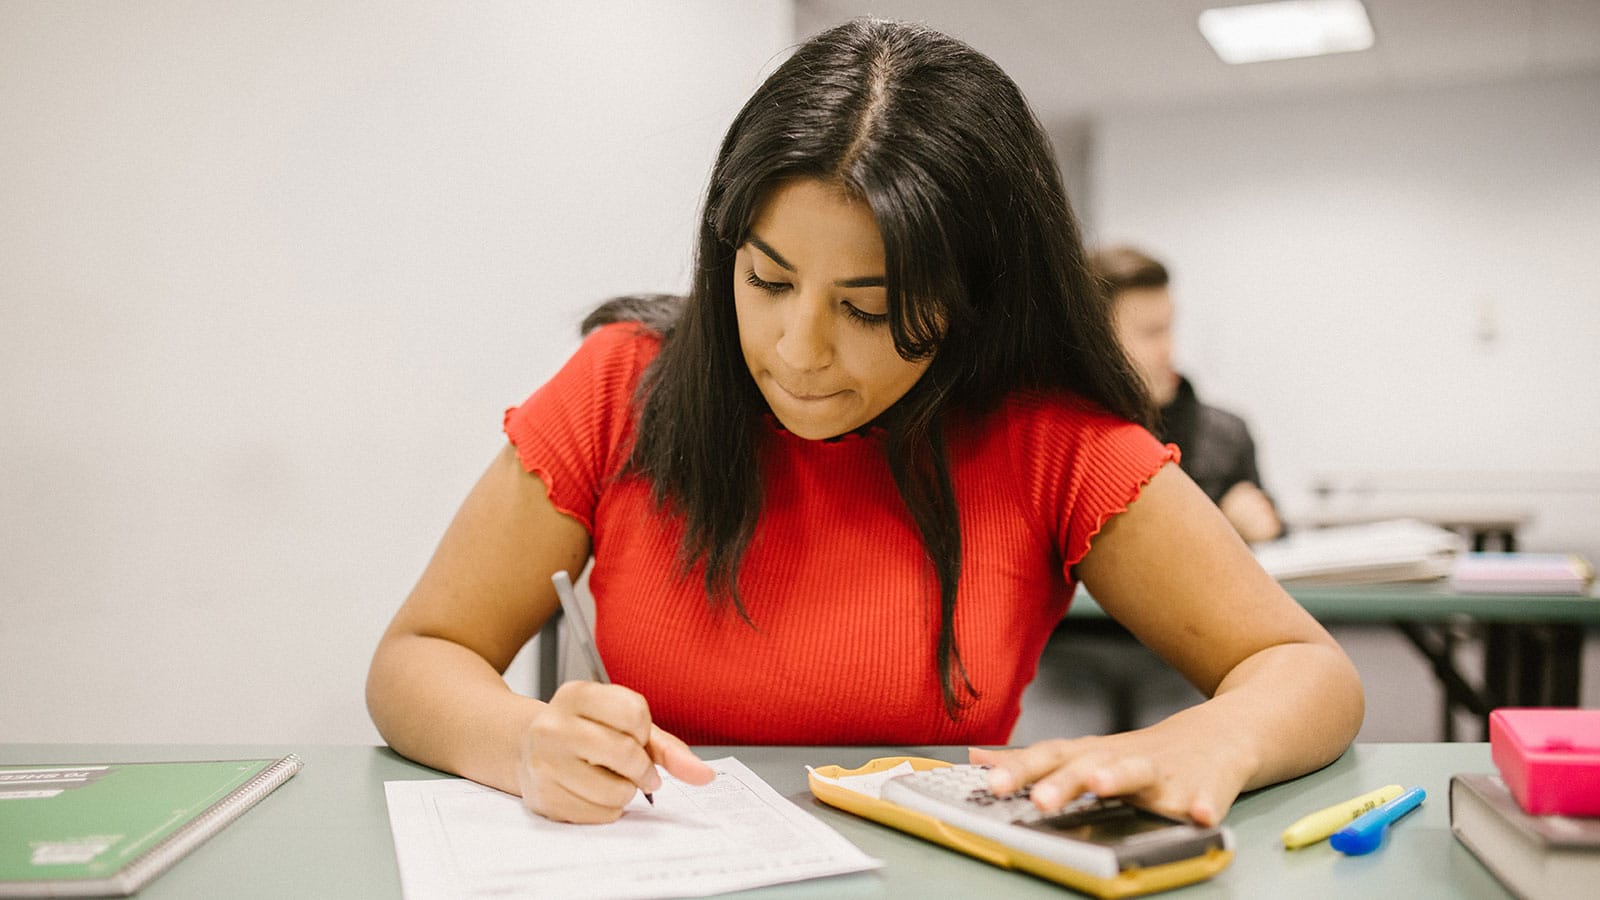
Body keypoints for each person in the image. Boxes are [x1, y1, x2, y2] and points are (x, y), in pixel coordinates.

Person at [366, 18, 1363, 829]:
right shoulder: (623, 386)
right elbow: (418, 657)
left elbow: (1307, 672)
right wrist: (523, 742)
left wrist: (1199, 739)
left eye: (868, 307)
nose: (798, 349)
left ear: (971, 299)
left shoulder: (1047, 440)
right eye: (765, 278)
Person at [1092, 245, 1285, 544]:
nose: (1169, 349)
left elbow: (1272, 539)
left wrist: (1263, 525)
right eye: (1151, 333)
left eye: (1169, 328)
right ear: (1099, 345)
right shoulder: (1072, 446)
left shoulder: (1228, 436)